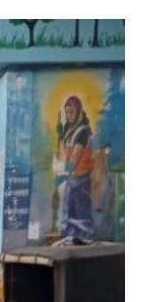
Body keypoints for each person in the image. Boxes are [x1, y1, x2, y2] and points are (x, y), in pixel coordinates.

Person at [56, 95, 96, 240]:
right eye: (67, 112)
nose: (69, 115)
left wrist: (62, 174)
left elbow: (74, 158)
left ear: (78, 111)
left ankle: (83, 239)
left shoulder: (82, 131)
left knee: (79, 212)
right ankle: (72, 237)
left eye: (72, 112)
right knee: (70, 210)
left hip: (80, 178)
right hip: (74, 177)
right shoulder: (72, 130)